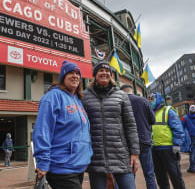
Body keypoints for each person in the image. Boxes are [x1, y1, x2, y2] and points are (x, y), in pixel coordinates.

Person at [33, 61, 92, 189]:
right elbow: (43, 130)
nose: (75, 76)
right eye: (71, 73)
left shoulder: (78, 100)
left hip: (78, 165)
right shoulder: (53, 97)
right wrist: (42, 161)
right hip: (61, 166)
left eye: (77, 73)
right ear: (63, 77)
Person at [82, 61, 140, 189]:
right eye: (100, 71)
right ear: (95, 75)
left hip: (120, 154)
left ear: (111, 75)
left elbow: (131, 125)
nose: (104, 73)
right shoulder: (84, 96)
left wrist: (135, 153)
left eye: (107, 71)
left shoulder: (121, 95)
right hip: (95, 157)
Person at [121, 84, 157, 189]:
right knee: (149, 174)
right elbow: (152, 120)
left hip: (128, 143)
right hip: (144, 140)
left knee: (129, 175)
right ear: (132, 91)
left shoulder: (120, 101)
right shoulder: (143, 101)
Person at [149, 92, 186, 189]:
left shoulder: (168, 111)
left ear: (158, 99)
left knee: (175, 175)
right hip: (155, 149)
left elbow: (178, 129)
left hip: (168, 148)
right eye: (149, 99)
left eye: (152, 99)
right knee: (160, 177)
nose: (150, 101)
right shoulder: (150, 112)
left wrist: (177, 145)